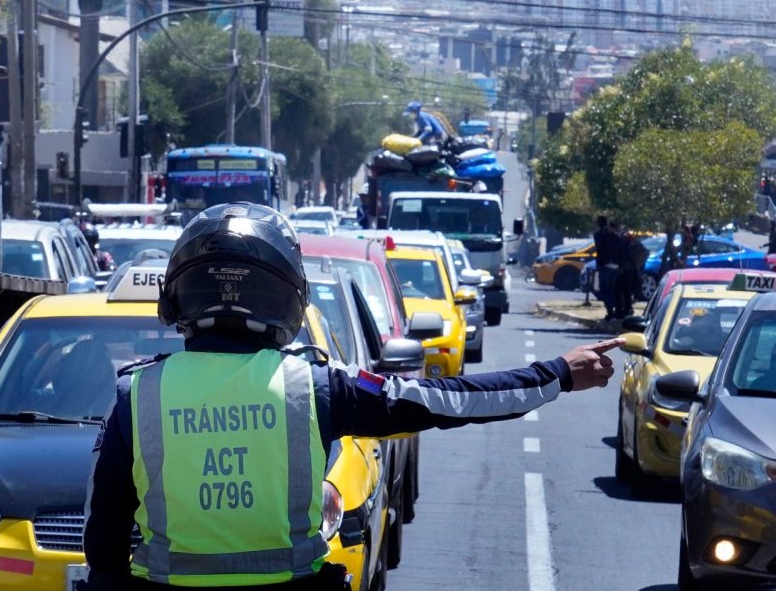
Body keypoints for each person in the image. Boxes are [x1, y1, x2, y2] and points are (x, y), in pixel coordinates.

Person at [83, 203, 622, 590]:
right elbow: (448, 401)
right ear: (287, 297)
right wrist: (558, 373)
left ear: (177, 295)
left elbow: (101, 542)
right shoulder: (314, 384)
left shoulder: (139, 393)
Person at [592, 215, 621, 321]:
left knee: (605, 290)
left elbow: (600, 250)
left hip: (605, 265)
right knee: (612, 289)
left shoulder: (599, 235)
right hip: (615, 265)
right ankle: (614, 311)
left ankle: (610, 312)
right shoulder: (614, 235)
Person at [612, 222, 636, 319]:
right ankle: (627, 309)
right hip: (629, 268)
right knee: (626, 291)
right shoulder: (628, 239)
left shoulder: (620, 239)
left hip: (622, 268)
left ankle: (620, 311)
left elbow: (620, 255)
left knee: (618, 290)